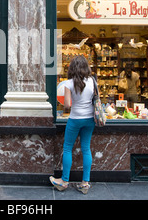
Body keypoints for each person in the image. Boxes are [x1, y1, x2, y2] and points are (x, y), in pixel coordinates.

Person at [49, 55, 96, 194]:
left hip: (75, 119)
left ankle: (64, 181)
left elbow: (68, 105)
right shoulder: (93, 81)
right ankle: (85, 183)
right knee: (86, 149)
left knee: (68, 148)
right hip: (89, 119)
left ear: (72, 68)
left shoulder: (68, 84)